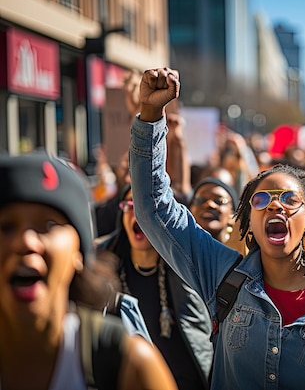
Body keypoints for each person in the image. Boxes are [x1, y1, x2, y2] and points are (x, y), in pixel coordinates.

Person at [129, 67, 305, 389]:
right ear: (249, 222)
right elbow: (154, 208)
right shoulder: (222, 276)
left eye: (289, 199)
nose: (275, 206)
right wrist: (151, 116)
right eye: (262, 199)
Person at [0, 152, 177, 390]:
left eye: (49, 225)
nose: (26, 241)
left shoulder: (129, 364)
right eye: (6, 226)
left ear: (80, 252)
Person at [96, 184, 214, 390]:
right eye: (130, 206)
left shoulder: (187, 266)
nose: (136, 214)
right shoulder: (105, 268)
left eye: (144, 206)